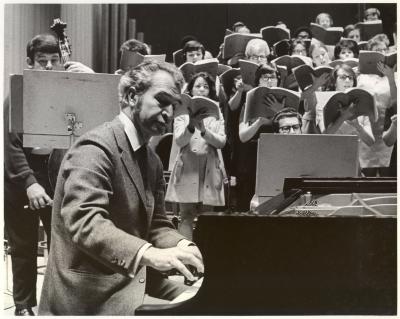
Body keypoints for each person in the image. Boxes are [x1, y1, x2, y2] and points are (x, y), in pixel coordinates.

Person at [38, 61, 204, 315]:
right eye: (161, 101)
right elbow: (85, 222)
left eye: (173, 105)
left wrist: (184, 246)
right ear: (130, 96)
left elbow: (157, 224)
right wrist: (150, 254)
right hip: (88, 296)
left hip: (131, 281)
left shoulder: (152, 161)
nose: (169, 112)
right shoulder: (94, 148)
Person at [4, 33, 93, 316]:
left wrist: (88, 81)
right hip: (22, 174)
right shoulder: (17, 93)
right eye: (42, 62)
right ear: (30, 63)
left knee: (62, 242)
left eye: (54, 60)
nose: (49, 67)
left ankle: (57, 302)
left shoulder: (69, 91)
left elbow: (94, 122)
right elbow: (11, 146)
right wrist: (30, 183)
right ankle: (23, 306)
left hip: (56, 171)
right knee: (23, 243)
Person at [166, 72, 226, 240]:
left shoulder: (216, 112)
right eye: (198, 86)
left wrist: (205, 131)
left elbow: (221, 142)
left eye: (206, 86)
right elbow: (179, 140)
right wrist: (191, 126)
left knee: (208, 216)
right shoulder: (182, 112)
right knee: (186, 214)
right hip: (188, 167)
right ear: (191, 90)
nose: (201, 89)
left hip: (209, 166)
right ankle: (187, 255)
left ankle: (206, 256)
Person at [357, 35, 396, 176]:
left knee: (387, 171)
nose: (383, 53)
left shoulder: (395, 75)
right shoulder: (361, 77)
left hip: (387, 126)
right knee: (367, 170)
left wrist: (391, 77)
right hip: (367, 126)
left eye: (385, 50)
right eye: (379, 51)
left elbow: (395, 102)